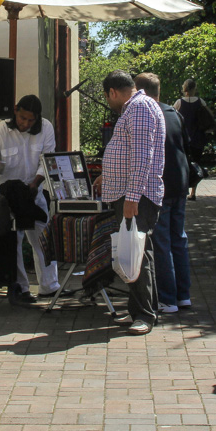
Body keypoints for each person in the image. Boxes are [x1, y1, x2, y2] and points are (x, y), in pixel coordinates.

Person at [93, 70, 166, 335]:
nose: (109, 102)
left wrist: (132, 198)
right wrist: (107, 174)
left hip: (137, 196)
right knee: (139, 251)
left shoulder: (139, 108)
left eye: (107, 97)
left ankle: (144, 315)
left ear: (112, 92)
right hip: (131, 193)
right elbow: (130, 152)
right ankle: (142, 310)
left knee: (136, 253)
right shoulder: (136, 108)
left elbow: (142, 156)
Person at [0, 94, 61, 302]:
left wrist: (35, 184)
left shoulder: (46, 128)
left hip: (33, 190)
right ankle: (20, 288)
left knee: (42, 237)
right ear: (15, 111)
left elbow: (47, 160)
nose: (25, 124)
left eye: (30, 120)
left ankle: (49, 286)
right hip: (7, 194)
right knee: (12, 241)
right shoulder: (0, 131)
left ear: (37, 118)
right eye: (22, 118)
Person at [135, 73, 192, 314]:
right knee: (178, 238)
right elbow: (185, 144)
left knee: (162, 242)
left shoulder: (145, 113)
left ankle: (167, 298)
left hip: (160, 184)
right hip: (180, 181)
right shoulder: (173, 113)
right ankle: (183, 295)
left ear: (141, 92)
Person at [174, 79, 213, 200]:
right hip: (198, 138)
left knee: (183, 164)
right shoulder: (201, 102)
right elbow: (209, 116)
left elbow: (173, 117)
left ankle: (184, 189)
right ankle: (193, 191)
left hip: (183, 138)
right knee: (196, 164)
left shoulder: (179, 103)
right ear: (194, 88)